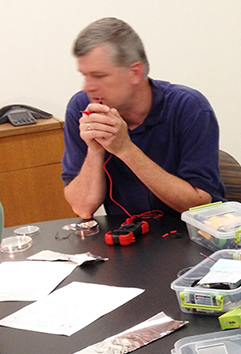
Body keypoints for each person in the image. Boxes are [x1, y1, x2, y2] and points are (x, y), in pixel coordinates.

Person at [61, 17, 224, 219]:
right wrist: (94, 150)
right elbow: (82, 208)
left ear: (135, 72)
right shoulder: (82, 107)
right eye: (84, 75)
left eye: (99, 76)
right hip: (130, 235)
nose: (87, 87)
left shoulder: (189, 107)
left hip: (195, 232)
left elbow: (197, 204)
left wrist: (125, 149)